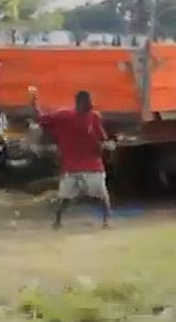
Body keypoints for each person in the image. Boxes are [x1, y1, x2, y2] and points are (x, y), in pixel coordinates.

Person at [29, 88, 116, 229]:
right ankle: (58, 222)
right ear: (79, 103)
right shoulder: (65, 116)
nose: (90, 105)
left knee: (100, 194)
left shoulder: (93, 117)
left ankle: (106, 221)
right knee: (65, 197)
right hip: (73, 166)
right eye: (87, 102)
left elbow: (102, 138)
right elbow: (42, 119)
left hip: (90, 165)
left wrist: (108, 145)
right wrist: (34, 105)